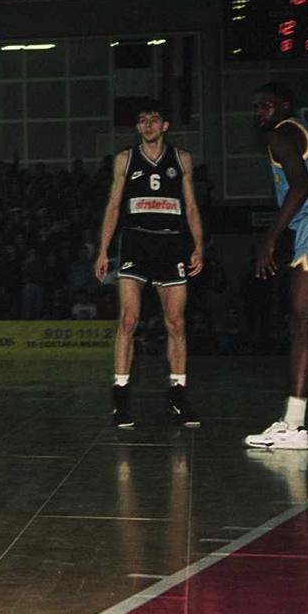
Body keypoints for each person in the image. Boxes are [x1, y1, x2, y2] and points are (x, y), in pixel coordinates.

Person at [95, 99, 204, 428]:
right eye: (142, 120)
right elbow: (113, 206)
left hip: (171, 243)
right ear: (138, 127)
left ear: (165, 125)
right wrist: (103, 250)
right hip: (135, 242)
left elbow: (191, 207)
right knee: (128, 321)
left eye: (154, 119)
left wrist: (198, 245)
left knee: (176, 323)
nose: (148, 125)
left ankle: (178, 395)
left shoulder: (181, 158)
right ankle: (120, 395)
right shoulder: (125, 159)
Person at [244, 83, 308, 450]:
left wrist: (269, 237)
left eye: (266, 106)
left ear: (285, 106)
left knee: (301, 322)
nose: (260, 112)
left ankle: (294, 425)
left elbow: (301, 186)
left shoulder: (281, 135)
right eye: (257, 107)